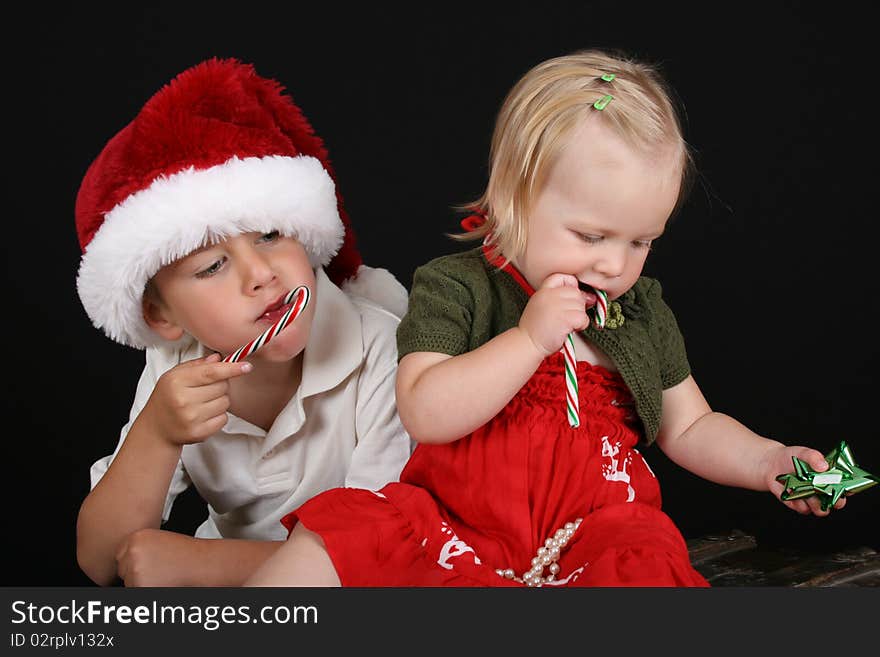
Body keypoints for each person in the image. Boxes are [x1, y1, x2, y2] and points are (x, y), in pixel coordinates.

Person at [244, 49, 845, 588]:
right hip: (458, 526)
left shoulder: (638, 311)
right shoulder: (459, 287)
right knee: (332, 542)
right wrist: (529, 338)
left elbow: (690, 427)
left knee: (645, 560)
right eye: (591, 235)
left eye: (642, 242)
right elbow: (425, 412)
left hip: (591, 534)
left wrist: (767, 460)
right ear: (513, 199)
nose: (614, 264)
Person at [74, 58, 413, 586]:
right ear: (160, 315)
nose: (260, 274)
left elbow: (387, 555)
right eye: (212, 266)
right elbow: (101, 559)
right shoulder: (174, 367)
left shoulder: (380, 346)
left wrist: (206, 566)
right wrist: (158, 435)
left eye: (272, 235)